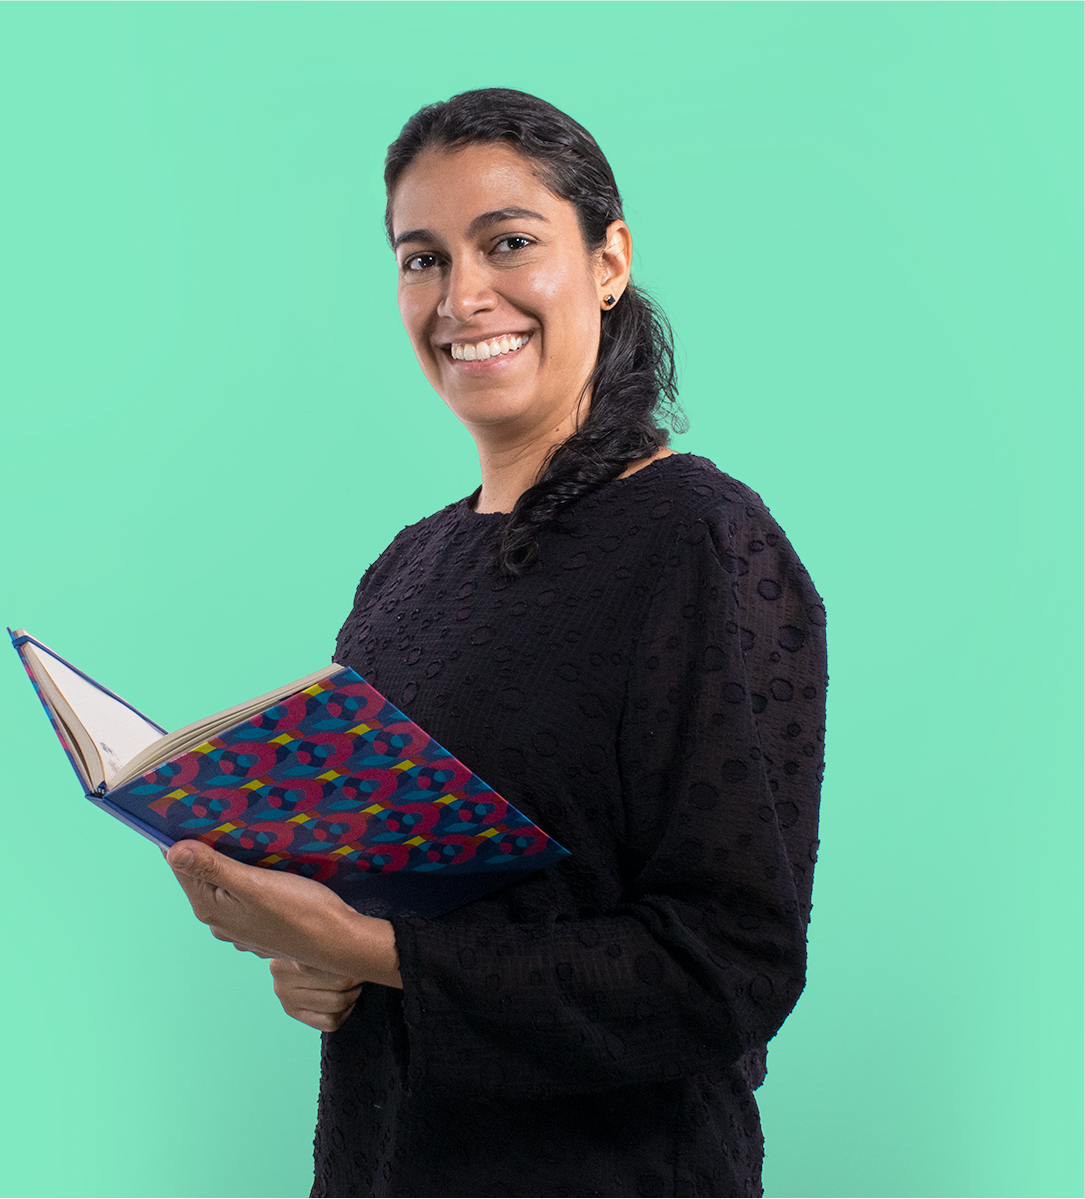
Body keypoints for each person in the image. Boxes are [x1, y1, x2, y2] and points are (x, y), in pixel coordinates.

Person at [166, 88, 827, 1198]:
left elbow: (730, 967)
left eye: (508, 242)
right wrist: (320, 961)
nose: (461, 297)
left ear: (608, 261)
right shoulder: (404, 570)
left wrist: (378, 954)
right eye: (421, 259)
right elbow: (396, 900)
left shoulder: (698, 539)